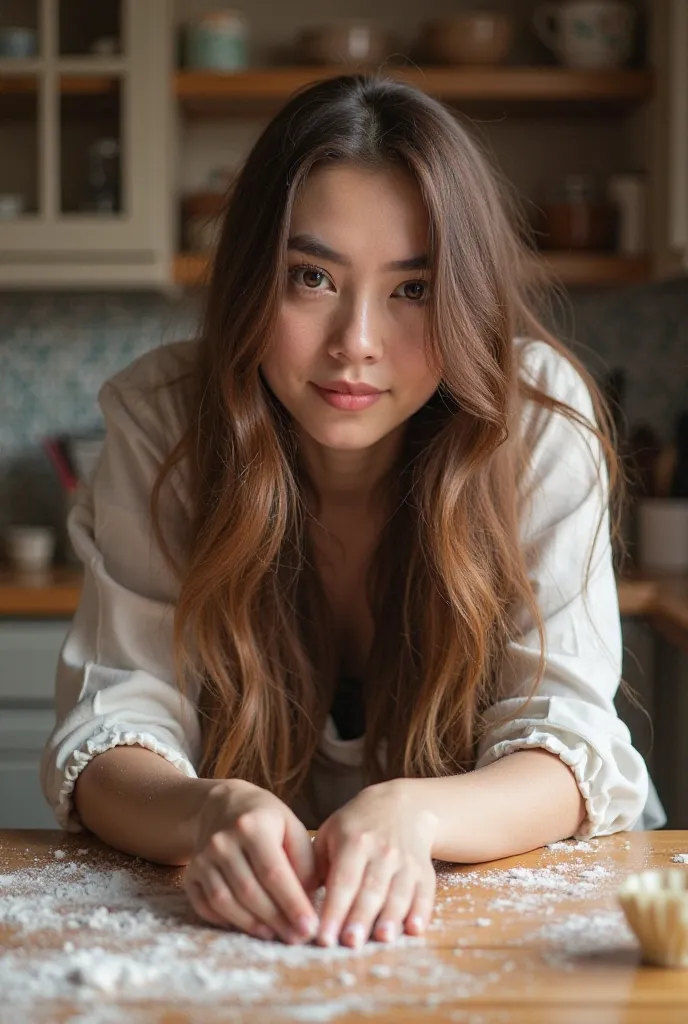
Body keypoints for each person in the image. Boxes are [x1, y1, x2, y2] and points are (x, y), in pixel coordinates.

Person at [41, 73, 657, 953]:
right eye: (312, 277)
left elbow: (569, 749)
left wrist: (415, 815)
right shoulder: (165, 419)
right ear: (254, 276)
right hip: (244, 932)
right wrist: (204, 809)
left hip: (510, 914)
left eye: (412, 289)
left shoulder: (531, 419)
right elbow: (109, 734)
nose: (357, 342)